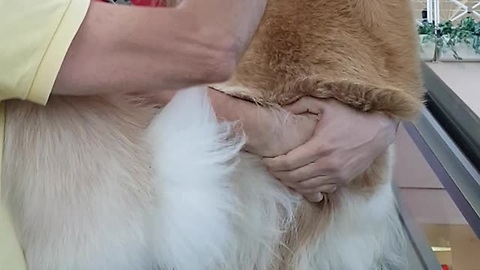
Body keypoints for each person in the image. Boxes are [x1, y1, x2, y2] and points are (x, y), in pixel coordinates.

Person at [0, 0, 398, 268]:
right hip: (119, 224)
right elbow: (203, 46)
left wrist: (379, 120)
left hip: (235, 218)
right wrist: (284, 130)